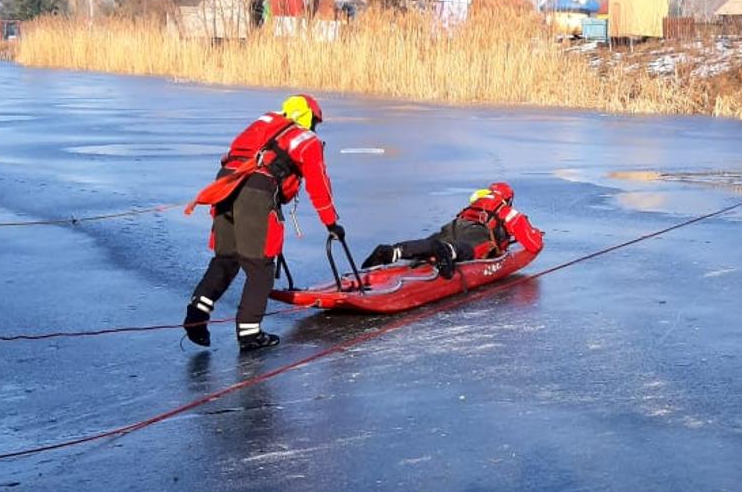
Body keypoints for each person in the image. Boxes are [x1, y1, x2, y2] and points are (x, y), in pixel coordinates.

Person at [183, 94, 344, 351]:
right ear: (309, 118)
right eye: (315, 122)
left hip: (225, 184)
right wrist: (331, 223)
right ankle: (250, 334)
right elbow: (318, 183)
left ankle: (196, 315)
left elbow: (233, 154)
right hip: (256, 192)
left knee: (226, 258)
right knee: (260, 268)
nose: (315, 128)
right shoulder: (306, 140)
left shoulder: (264, 122)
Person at [361, 182, 543, 278]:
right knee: (463, 249)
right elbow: (533, 244)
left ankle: (395, 251)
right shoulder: (507, 211)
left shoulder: (477, 203)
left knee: (432, 243)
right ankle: (445, 251)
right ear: (508, 198)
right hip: (477, 234)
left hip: (454, 225)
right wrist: (536, 234)